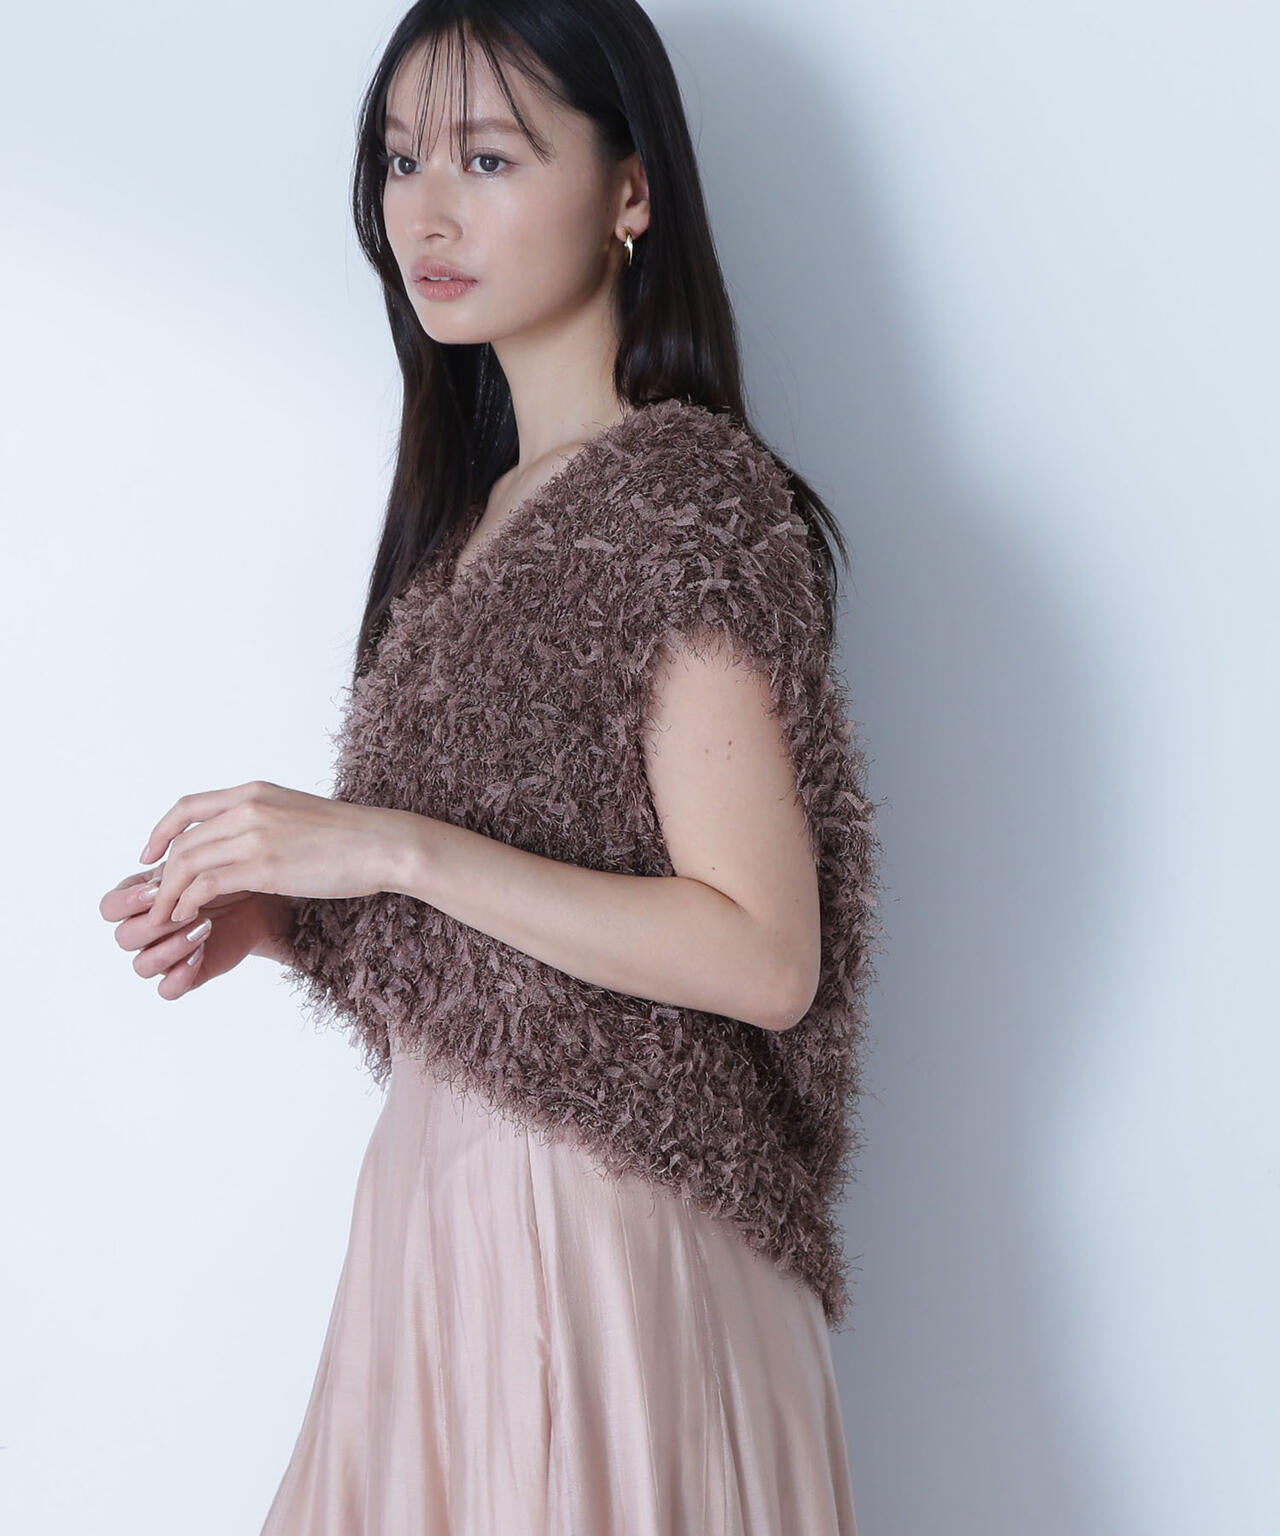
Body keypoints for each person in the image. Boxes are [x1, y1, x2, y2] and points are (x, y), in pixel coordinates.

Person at [100, 3, 880, 1530]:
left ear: (631, 191)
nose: (426, 211)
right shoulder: (472, 522)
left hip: (602, 1233)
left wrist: (384, 847)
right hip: (447, 1212)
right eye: (402, 160)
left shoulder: (679, 495)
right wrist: (292, 918)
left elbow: (763, 951)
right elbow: (526, 930)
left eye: (488, 156)